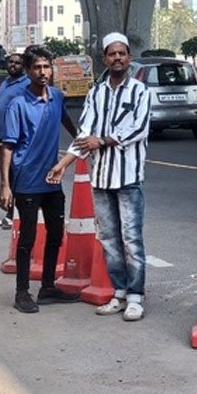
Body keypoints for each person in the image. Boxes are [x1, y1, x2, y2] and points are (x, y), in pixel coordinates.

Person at [48, 32, 151, 321]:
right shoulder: (96, 93)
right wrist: (64, 163)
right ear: (104, 59)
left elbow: (138, 128)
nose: (117, 58)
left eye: (122, 53)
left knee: (131, 239)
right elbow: (84, 133)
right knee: (108, 238)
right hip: (102, 179)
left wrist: (103, 141)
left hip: (128, 177)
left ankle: (135, 296)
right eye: (112, 54)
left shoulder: (140, 91)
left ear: (129, 58)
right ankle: (119, 292)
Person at [0, 45, 80, 313]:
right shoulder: (18, 104)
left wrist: (81, 139)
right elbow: (7, 146)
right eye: (37, 67)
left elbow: (66, 121)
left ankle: (47, 287)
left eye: (46, 67)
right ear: (27, 70)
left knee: (56, 233)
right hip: (27, 180)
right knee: (27, 238)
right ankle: (22, 292)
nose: (43, 72)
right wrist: (5, 185)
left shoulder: (56, 97)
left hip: (52, 180)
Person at [0, 53, 27, 228]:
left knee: (15, 177)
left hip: (16, 139)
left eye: (18, 63)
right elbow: (0, 108)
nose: (13, 65)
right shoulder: (5, 83)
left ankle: (15, 215)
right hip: (1, 137)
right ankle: (10, 213)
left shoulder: (27, 84)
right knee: (6, 177)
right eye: (11, 62)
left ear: (24, 66)